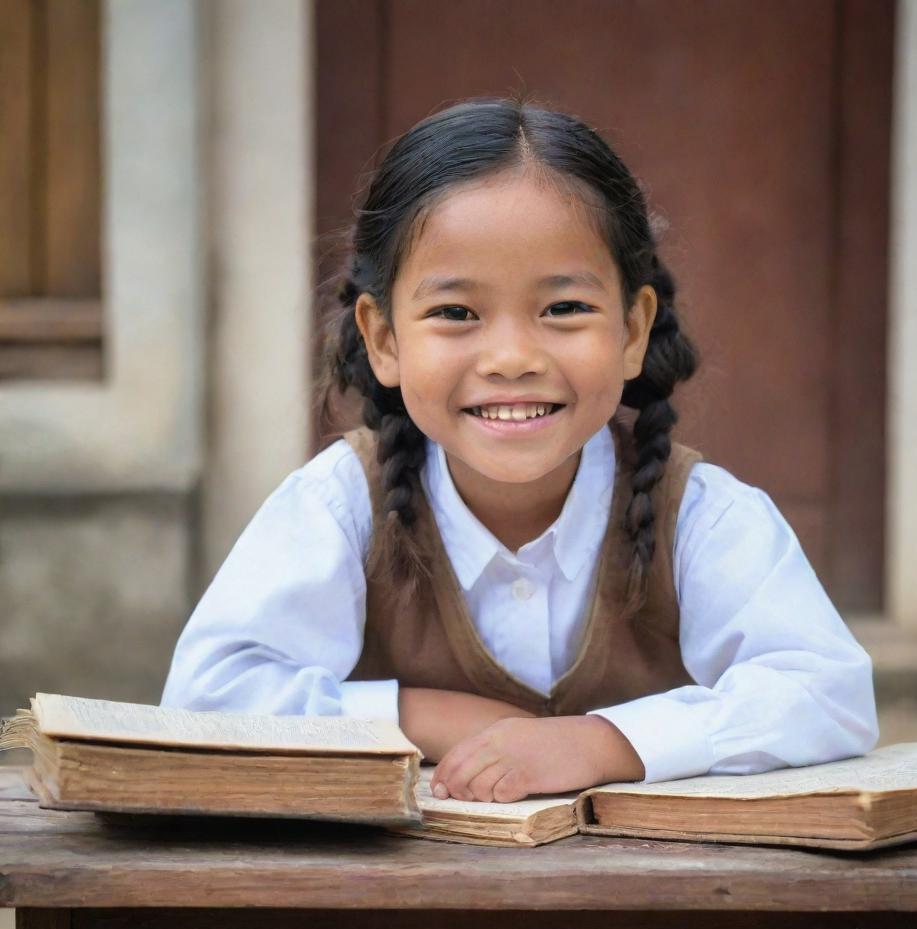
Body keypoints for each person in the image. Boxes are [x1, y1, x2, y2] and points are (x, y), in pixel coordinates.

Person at [161, 98, 877, 804]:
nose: (510, 357)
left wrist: (605, 742)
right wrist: (424, 716)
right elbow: (205, 698)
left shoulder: (699, 515)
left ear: (633, 330)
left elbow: (828, 692)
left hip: (651, 910)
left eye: (564, 309)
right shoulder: (341, 505)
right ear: (383, 339)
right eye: (455, 313)